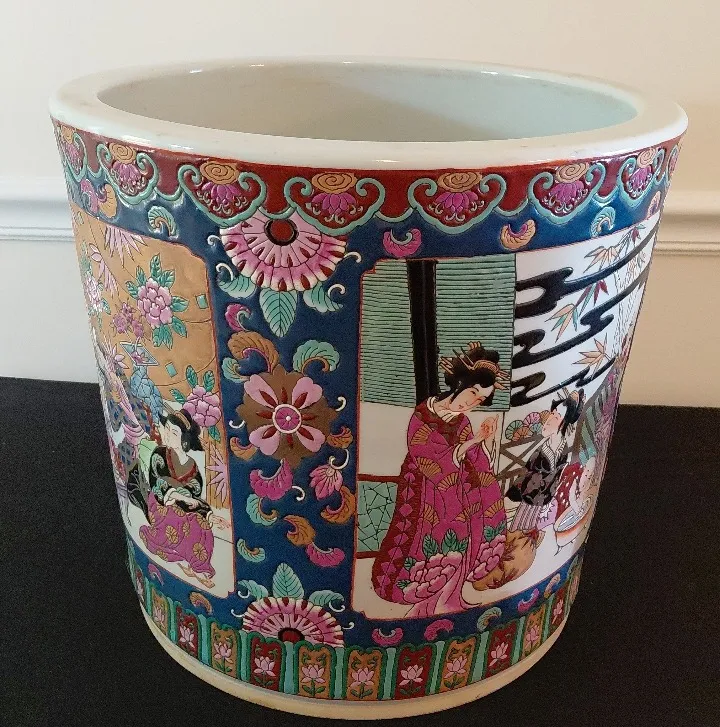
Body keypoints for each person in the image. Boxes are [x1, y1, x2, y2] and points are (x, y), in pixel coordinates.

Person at [371, 342, 513, 617]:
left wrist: (481, 441)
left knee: (466, 539)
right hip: (426, 490)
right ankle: (426, 603)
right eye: (473, 392)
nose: (472, 402)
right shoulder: (423, 415)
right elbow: (428, 455)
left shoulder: (462, 422)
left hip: (461, 492)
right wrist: (472, 442)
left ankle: (451, 597)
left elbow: (474, 459)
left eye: (480, 400)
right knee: (431, 543)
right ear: (460, 383)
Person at [130, 409, 228, 588]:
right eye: (167, 428)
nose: (167, 434)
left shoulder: (192, 465)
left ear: (184, 440)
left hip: (183, 506)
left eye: (173, 432)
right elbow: (158, 483)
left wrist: (208, 514)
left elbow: (195, 492)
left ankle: (199, 567)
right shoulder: (160, 454)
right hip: (160, 504)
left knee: (201, 524)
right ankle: (190, 562)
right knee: (186, 522)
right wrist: (180, 496)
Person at [507, 390, 585, 541]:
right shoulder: (541, 451)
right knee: (518, 528)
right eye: (551, 414)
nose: (548, 420)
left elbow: (558, 476)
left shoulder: (563, 449)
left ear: (564, 422)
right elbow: (526, 473)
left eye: (555, 416)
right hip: (529, 496)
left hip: (544, 499)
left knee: (530, 529)